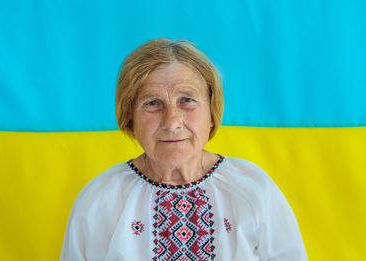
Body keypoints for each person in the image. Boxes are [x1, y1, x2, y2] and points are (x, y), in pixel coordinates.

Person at [60, 38, 307, 260]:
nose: (172, 122)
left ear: (211, 112)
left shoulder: (251, 188)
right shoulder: (99, 200)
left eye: (187, 100)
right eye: (153, 103)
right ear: (130, 117)